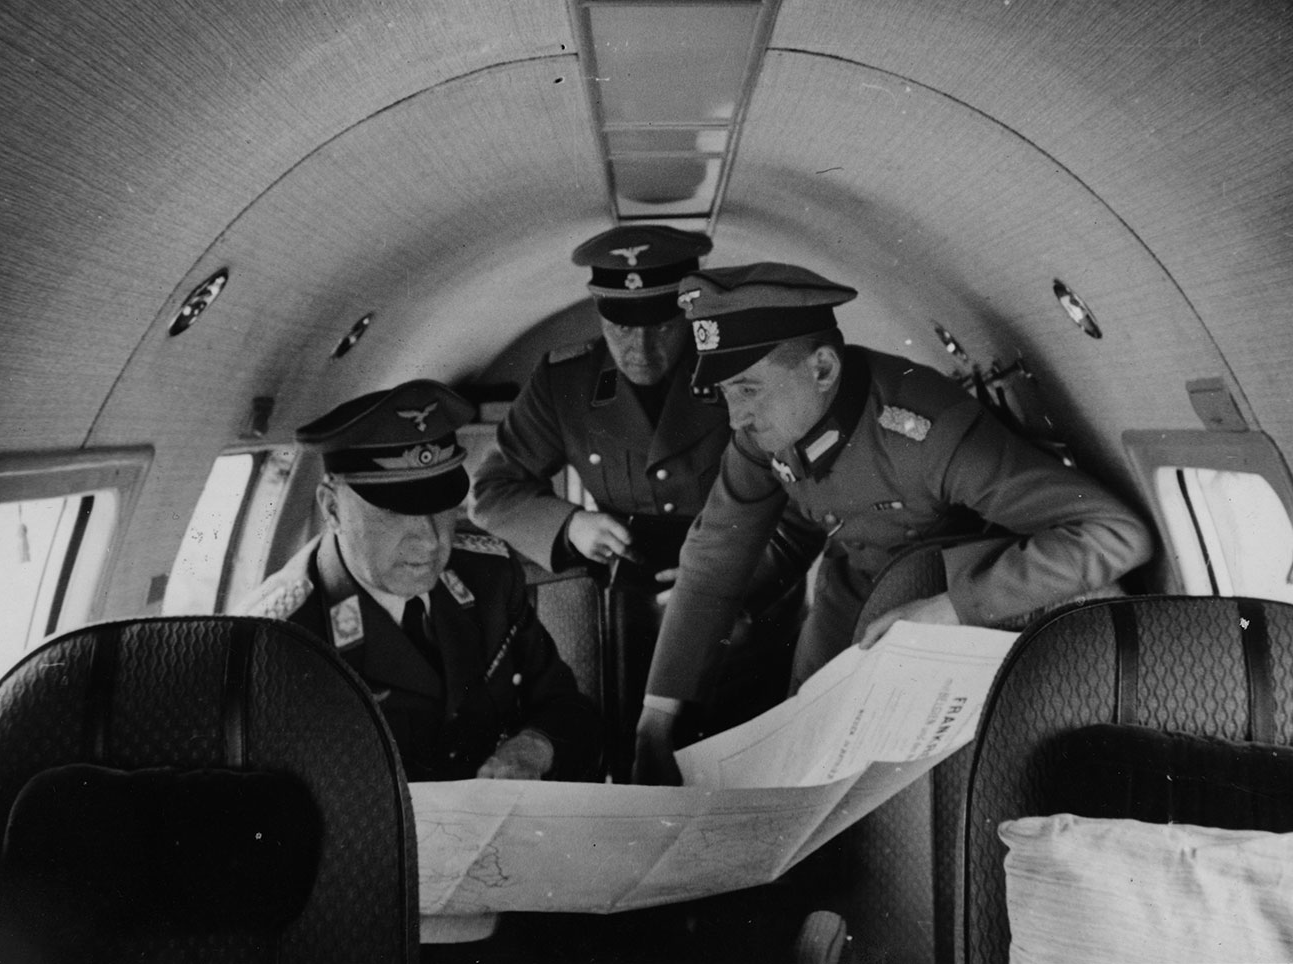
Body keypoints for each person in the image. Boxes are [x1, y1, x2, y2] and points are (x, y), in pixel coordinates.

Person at [634, 262, 1154, 784]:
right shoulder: (760, 434)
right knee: (801, 759)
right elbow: (712, 559)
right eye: (724, 393)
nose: (735, 418)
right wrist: (657, 715)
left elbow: (1114, 532)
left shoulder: (929, 435)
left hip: (936, 601)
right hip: (847, 594)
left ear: (821, 369)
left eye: (747, 390)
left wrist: (952, 607)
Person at [471, 226, 821, 779]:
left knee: (746, 763)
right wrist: (572, 526)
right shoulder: (564, 381)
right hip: (630, 598)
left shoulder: (744, 367)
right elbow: (491, 491)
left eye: (661, 326)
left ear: (688, 311)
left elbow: (806, 503)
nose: (641, 349)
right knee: (642, 764)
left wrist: (734, 585)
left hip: (747, 587)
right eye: (619, 329)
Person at [241, 380, 602, 783]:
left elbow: (567, 706)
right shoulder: (280, 635)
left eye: (441, 506)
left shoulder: (490, 579)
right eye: (395, 513)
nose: (431, 541)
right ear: (331, 507)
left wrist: (535, 746)